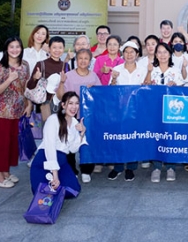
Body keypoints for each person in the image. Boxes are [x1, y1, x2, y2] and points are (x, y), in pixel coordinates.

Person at [0, 37, 31, 188]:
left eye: (17, 47)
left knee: (11, 144)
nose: (15, 50)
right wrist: (8, 79)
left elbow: (26, 87)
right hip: (1, 112)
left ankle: (6, 171)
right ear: (6, 49)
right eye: (11, 47)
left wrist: (29, 104)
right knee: (1, 144)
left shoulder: (25, 65)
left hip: (18, 111)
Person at [29, 91, 86, 198]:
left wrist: (81, 133)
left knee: (74, 190)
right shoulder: (53, 119)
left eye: (77, 103)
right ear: (63, 105)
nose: (74, 107)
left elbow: (73, 149)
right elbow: (50, 148)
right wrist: (55, 175)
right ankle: (50, 188)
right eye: (70, 103)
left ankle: (54, 190)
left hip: (62, 161)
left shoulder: (74, 123)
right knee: (44, 194)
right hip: (44, 160)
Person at [58, 48, 101, 183]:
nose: (83, 61)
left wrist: (92, 91)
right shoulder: (68, 75)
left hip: (88, 116)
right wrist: (62, 82)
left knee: (87, 143)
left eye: (86, 58)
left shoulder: (93, 76)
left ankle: (87, 170)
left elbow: (100, 96)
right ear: (76, 60)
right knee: (69, 143)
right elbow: (60, 96)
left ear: (90, 61)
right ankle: (72, 170)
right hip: (72, 116)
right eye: (80, 58)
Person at [144, 42, 184, 182]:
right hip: (154, 109)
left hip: (171, 111)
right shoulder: (151, 69)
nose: (162, 55)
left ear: (170, 54)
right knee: (155, 136)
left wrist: (175, 86)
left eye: (165, 52)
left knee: (169, 136)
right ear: (155, 55)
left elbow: (182, 91)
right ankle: (156, 167)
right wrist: (149, 72)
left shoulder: (175, 71)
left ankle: (170, 167)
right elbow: (144, 86)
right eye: (159, 52)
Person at [108, 40, 145, 181]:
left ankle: (131, 168)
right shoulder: (117, 69)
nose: (129, 55)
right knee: (119, 137)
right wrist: (113, 80)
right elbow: (110, 91)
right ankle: (118, 167)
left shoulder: (142, 70)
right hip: (119, 110)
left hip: (136, 111)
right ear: (122, 54)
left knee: (133, 138)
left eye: (132, 52)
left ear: (137, 54)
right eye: (126, 52)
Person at [27, 36, 68, 121]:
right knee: (47, 131)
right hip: (45, 104)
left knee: (60, 131)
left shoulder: (66, 66)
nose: (57, 50)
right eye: (54, 47)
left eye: (60, 47)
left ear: (64, 49)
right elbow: (30, 86)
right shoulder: (41, 64)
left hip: (61, 104)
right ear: (49, 48)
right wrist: (35, 78)